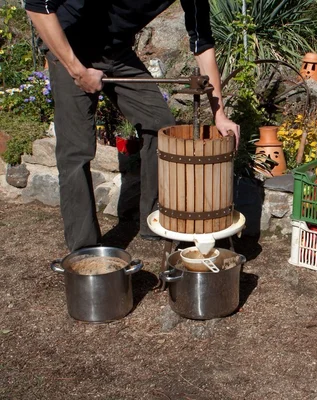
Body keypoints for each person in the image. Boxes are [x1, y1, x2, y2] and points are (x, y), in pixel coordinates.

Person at [24, 0, 240, 251]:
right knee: (76, 149)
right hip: (71, 46)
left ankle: (155, 220)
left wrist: (220, 115)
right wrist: (77, 70)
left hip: (117, 52)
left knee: (161, 127)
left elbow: (201, 44)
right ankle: (85, 250)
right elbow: (37, 6)